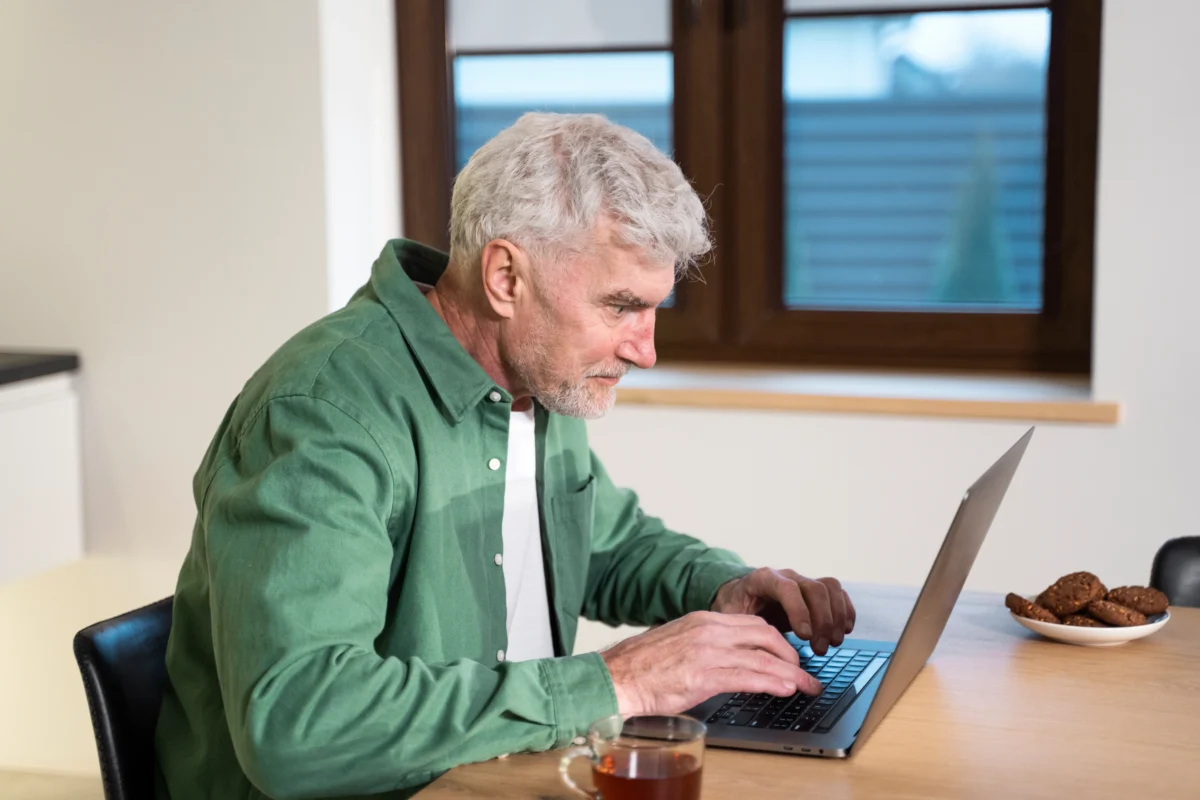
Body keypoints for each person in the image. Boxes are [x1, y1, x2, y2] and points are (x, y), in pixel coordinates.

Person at [155, 112, 855, 800]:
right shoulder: (323, 415)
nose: (645, 349)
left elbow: (603, 544)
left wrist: (723, 590)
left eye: (652, 310)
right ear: (505, 279)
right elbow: (299, 725)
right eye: (619, 306)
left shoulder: (537, 379)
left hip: (502, 776)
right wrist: (619, 681)